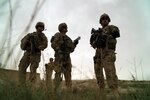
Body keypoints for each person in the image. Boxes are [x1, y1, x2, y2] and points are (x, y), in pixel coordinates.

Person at [90, 13, 120, 99]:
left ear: (108, 20)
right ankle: (101, 92)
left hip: (108, 53)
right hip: (98, 54)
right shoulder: (97, 33)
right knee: (98, 74)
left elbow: (116, 33)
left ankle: (115, 93)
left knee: (110, 73)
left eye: (106, 19)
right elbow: (93, 45)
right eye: (103, 19)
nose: (105, 20)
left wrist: (106, 36)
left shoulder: (111, 27)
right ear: (100, 21)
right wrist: (96, 39)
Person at [51, 23, 80, 92]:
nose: (65, 29)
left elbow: (71, 49)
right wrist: (58, 50)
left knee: (68, 75)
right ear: (60, 28)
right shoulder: (57, 35)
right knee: (58, 74)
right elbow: (53, 44)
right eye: (63, 27)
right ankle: (56, 90)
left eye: (65, 27)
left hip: (67, 58)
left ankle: (69, 91)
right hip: (59, 57)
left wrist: (75, 43)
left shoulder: (68, 39)